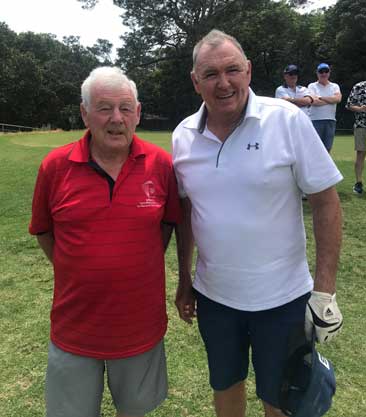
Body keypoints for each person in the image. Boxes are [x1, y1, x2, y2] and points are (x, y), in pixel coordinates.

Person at [172, 30, 343, 417]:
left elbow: (326, 202)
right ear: (195, 81)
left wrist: (325, 292)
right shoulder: (182, 135)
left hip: (282, 300)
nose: (224, 82)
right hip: (215, 299)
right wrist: (185, 280)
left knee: (280, 399)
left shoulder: (286, 119)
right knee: (226, 387)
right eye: (211, 74)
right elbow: (186, 214)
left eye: (233, 70)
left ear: (248, 71)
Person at [29, 66, 181, 417]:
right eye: (104, 108)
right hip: (75, 329)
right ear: (84, 113)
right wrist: (78, 267)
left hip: (139, 327)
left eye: (126, 108)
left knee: (136, 410)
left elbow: (167, 227)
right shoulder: (55, 166)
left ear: (138, 113)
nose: (116, 119)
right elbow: (44, 231)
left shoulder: (161, 165)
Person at [308, 63, 342, 152]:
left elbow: (338, 99)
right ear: (317, 73)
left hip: (330, 120)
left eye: (326, 71)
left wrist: (320, 97)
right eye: (321, 72)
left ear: (329, 72)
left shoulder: (335, 86)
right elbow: (314, 102)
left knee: (327, 148)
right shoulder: (312, 86)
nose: (323, 74)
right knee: (315, 148)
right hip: (315, 120)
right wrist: (331, 100)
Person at [345, 80, 366, 195]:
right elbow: (349, 105)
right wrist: (360, 109)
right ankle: (358, 183)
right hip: (361, 125)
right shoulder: (359, 86)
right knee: (361, 154)